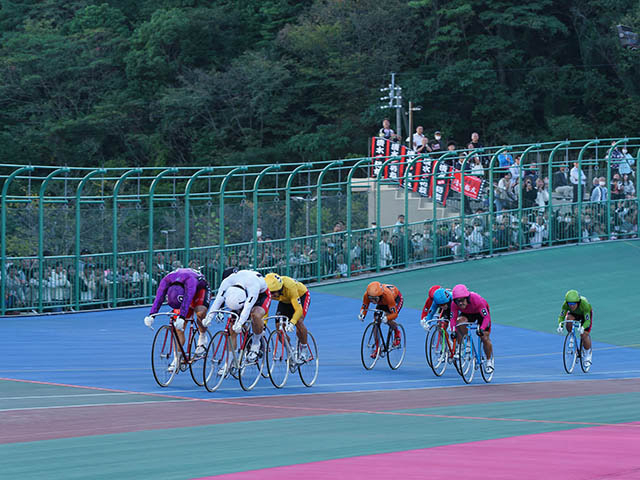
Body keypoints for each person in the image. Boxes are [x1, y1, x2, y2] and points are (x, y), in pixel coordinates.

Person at [144, 268, 211, 372]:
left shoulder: (190, 281)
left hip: (200, 289)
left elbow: (187, 299)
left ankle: (202, 337)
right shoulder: (166, 281)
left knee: (200, 312)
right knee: (178, 328)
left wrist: (182, 317)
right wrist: (152, 315)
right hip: (182, 291)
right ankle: (177, 358)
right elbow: (159, 298)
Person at [206, 269, 271, 362]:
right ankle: (229, 363)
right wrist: (209, 317)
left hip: (261, 295)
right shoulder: (227, 282)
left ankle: (256, 344)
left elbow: (247, 307)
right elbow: (217, 301)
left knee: (255, 315)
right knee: (232, 328)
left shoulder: (253, 286)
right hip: (239, 295)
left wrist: (240, 323)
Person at [264, 273, 311, 361]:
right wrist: (264, 324)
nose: (272, 295)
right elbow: (266, 308)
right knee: (279, 328)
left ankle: (304, 349)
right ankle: (290, 349)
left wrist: (292, 322)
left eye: (273, 293)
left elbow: (298, 309)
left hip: (301, 296)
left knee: (299, 321)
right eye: (270, 293)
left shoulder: (290, 286)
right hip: (285, 301)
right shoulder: (268, 290)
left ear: (280, 289)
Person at [450, 284, 494, 371]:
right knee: (459, 323)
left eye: (462, 300)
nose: (460, 303)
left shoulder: (477, 300)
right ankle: (468, 343)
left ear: (467, 298)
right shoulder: (454, 304)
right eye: (458, 301)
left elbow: (486, 318)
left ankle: (489, 361)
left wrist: (481, 329)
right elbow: (453, 319)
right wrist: (453, 331)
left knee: (484, 337)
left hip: (480, 314)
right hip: (467, 314)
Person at [358, 281, 403, 350]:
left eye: (375, 299)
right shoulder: (367, 295)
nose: (373, 301)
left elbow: (395, 314)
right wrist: (362, 314)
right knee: (376, 320)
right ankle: (377, 348)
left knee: (388, 318)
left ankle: (397, 332)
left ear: (380, 295)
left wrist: (387, 318)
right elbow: (364, 306)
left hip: (395, 299)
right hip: (382, 302)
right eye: (371, 299)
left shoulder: (388, 296)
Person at [556, 290, 593, 366]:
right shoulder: (565, 304)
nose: (571, 306)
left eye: (573, 304)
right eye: (570, 304)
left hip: (584, 316)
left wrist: (583, 327)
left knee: (584, 335)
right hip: (574, 314)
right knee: (568, 318)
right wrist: (560, 325)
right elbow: (561, 316)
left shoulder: (585, 305)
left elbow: (587, 321)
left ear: (578, 302)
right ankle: (571, 336)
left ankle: (587, 353)